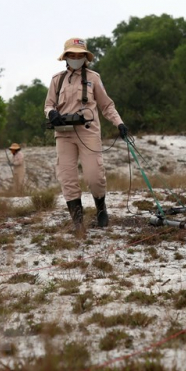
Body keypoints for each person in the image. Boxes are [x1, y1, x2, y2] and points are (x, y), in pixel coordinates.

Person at [44, 37, 128, 234]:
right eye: (71, 55)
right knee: (67, 177)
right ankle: (78, 221)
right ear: (65, 57)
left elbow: (106, 105)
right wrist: (52, 113)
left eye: (79, 55)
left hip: (88, 131)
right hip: (63, 134)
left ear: (85, 57)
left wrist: (119, 123)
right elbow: (48, 105)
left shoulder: (93, 78)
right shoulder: (57, 80)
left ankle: (101, 209)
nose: (75, 58)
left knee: (94, 175)